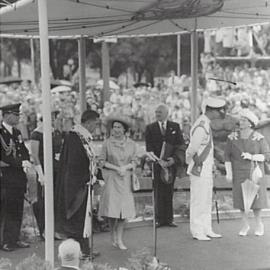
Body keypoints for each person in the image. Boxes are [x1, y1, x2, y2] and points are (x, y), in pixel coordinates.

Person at [55, 110, 100, 258]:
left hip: (83, 183)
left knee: (84, 218)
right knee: (77, 218)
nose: (96, 127)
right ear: (88, 122)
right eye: (96, 123)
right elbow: (75, 164)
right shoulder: (75, 137)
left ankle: (85, 249)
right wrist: (88, 176)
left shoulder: (82, 137)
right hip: (76, 185)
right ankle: (78, 251)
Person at [225, 108, 270, 236]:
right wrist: (229, 172)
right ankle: (245, 224)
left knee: (256, 199)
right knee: (241, 199)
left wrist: (252, 156)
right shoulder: (232, 137)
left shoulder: (259, 138)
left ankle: (259, 223)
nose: (241, 122)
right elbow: (227, 156)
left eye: (244, 120)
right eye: (241, 120)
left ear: (250, 123)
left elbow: (267, 155)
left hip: (254, 171)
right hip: (238, 172)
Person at [186, 97, 226, 241]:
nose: (219, 113)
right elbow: (192, 148)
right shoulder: (202, 125)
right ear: (210, 110)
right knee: (198, 200)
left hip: (206, 168)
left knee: (207, 200)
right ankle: (197, 230)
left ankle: (206, 228)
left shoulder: (206, 123)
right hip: (199, 168)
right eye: (217, 110)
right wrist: (191, 162)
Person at [98, 115, 138, 250]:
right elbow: (102, 161)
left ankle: (120, 238)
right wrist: (116, 168)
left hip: (125, 179)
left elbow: (135, 161)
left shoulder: (131, 144)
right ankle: (112, 235)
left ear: (124, 129)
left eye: (119, 127)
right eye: (114, 127)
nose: (116, 130)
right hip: (112, 178)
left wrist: (125, 168)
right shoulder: (107, 143)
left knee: (123, 211)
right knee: (112, 210)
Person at [145, 104, 185, 227]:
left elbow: (180, 145)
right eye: (156, 112)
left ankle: (169, 219)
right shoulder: (150, 128)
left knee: (169, 191)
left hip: (171, 165)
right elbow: (149, 147)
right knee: (158, 191)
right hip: (157, 165)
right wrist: (158, 161)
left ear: (167, 113)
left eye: (160, 112)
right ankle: (158, 219)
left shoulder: (175, 127)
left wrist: (173, 159)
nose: (157, 115)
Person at [0, 103, 31, 251]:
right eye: (15, 114)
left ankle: (14, 238)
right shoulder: (0, 132)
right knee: (6, 209)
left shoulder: (17, 132)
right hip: (5, 176)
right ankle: (5, 240)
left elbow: (23, 150)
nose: (18, 116)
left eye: (18, 114)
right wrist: (18, 163)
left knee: (17, 208)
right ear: (5, 115)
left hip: (18, 175)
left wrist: (25, 160)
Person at [30, 111, 63, 240]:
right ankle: (44, 230)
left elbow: (60, 149)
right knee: (44, 200)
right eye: (51, 118)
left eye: (55, 118)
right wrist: (40, 175)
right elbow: (34, 155)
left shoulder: (56, 132)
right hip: (43, 169)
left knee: (56, 200)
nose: (53, 121)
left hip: (56, 169)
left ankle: (55, 229)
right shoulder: (36, 134)